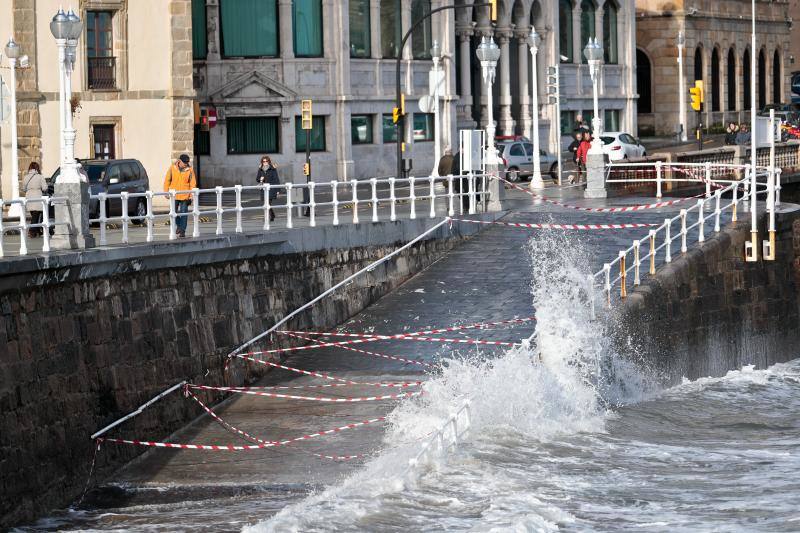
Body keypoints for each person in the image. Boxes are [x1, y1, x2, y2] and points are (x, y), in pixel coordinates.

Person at [163, 154, 196, 238]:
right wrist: (166, 192)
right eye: (184, 162)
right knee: (173, 212)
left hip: (185, 195)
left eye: (187, 162)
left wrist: (191, 195)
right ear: (179, 161)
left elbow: (193, 183)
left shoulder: (190, 170)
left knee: (184, 214)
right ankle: (179, 226)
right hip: (174, 195)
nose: (186, 164)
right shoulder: (172, 168)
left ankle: (182, 231)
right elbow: (167, 180)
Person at [22, 162, 48, 238]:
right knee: (36, 215)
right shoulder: (40, 177)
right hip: (37, 197)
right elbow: (45, 188)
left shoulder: (26, 177)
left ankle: (37, 231)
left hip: (29, 198)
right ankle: (32, 231)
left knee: (34, 215)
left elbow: (23, 189)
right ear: (37, 168)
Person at [256, 155, 280, 221]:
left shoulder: (273, 168)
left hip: (271, 189)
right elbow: (257, 178)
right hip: (263, 189)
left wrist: (278, 190)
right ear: (262, 162)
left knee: (267, 203)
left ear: (269, 161)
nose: (265, 162)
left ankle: (268, 217)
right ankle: (272, 215)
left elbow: (276, 179)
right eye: (264, 161)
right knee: (266, 203)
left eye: (266, 161)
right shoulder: (260, 169)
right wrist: (260, 179)